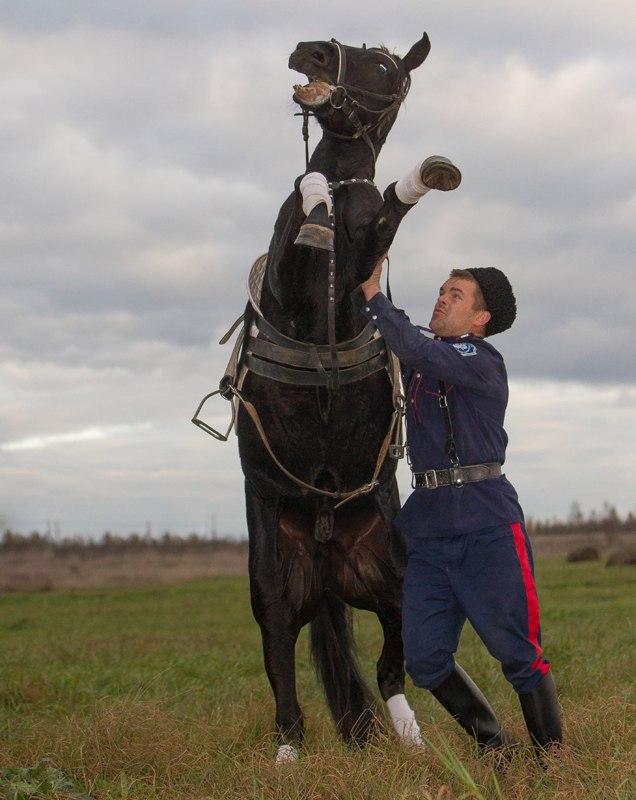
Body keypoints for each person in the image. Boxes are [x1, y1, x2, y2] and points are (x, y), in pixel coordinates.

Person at [359, 235, 563, 759]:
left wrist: (374, 294)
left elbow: (416, 347)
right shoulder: (425, 356)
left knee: (519, 655)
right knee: (425, 659)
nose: (442, 298)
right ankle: (498, 749)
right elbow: (405, 343)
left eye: (456, 295)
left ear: (479, 319)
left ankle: (555, 765)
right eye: (441, 290)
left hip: (486, 525)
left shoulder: (480, 358)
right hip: (429, 530)